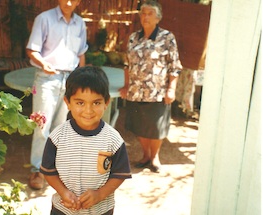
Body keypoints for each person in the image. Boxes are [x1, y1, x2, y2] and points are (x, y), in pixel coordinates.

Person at [40, 66, 132, 215]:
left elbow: (119, 174)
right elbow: (49, 171)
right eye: (80, 103)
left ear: (106, 102)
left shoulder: (113, 139)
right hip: (64, 209)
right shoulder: (57, 137)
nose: (88, 110)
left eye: (96, 103)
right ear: (67, 102)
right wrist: (63, 192)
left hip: (101, 210)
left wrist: (100, 194)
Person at [26, 0, 88, 189]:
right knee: (41, 125)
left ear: (79, 1)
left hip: (70, 79)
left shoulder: (80, 24)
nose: (68, 2)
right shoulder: (44, 19)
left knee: (60, 127)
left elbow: (81, 54)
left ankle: (52, 170)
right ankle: (37, 170)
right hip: (47, 78)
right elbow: (31, 50)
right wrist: (44, 64)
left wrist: (82, 78)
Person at [119, 0, 182, 173]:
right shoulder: (133, 38)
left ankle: (154, 157)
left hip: (157, 92)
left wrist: (171, 89)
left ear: (158, 18)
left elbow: (174, 66)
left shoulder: (167, 37)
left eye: (150, 13)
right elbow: (127, 65)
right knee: (139, 125)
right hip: (135, 91)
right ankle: (145, 154)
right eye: (143, 13)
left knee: (156, 127)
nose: (145, 16)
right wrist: (126, 86)